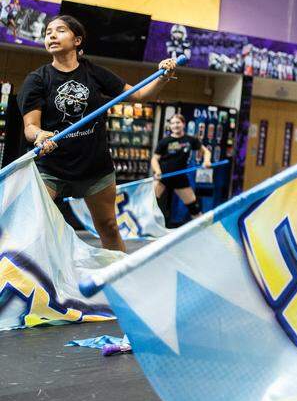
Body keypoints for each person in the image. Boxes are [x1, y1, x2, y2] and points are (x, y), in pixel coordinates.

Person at [19, 15, 178, 251]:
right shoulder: (37, 80)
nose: (51, 35)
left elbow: (139, 96)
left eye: (60, 30)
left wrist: (163, 77)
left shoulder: (94, 73)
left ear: (77, 40)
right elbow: (30, 127)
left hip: (95, 169)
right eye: (48, 32)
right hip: (51, 169)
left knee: (109, 227)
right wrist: (40, 135)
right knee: (33, 228)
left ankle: (119, 280)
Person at [151, 113, 212, 222]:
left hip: (180, 178)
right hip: (163, 177)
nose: (175, 125)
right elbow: (154, 159)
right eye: (173, 123)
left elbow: (206, 152)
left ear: (183, 124)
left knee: (195, 209)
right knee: (149, 206)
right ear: (170, 126)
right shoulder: (165, 141)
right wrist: (158, 171)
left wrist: (206, 161)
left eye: (178, 122)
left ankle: (204, 231)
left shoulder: (190, 140)